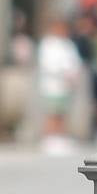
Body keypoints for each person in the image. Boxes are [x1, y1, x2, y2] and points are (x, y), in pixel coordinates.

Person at [36, 18, 83, 154]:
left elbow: (74, 62)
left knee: (63, 113)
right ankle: (50, 138)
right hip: (52, 85)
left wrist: (73, 74)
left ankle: (60, 137)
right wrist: (63, 72)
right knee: (52, 112)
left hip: (66, 86)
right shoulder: (48, 44)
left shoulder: (68, 44)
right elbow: (47, 64)